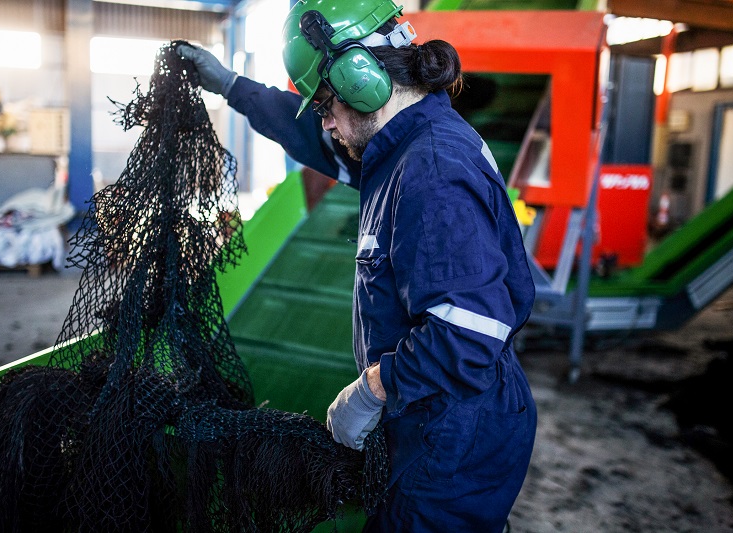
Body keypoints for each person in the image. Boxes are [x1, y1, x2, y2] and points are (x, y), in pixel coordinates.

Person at [178, 0, 537, 530]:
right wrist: (234, 86)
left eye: (325, 105)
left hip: (449, 438)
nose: (326, 124)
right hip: (436, 420)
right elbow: (315, 143)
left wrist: (372, 389)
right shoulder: (402, 143)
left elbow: (469, 331)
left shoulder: (430, 171)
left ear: (359, 79)